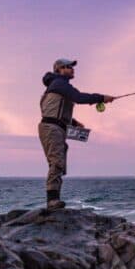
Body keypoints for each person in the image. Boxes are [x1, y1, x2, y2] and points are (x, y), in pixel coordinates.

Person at [39, 58, 115, 210]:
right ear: (59, 70)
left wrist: (73, 122)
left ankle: (54, 200)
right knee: (57, 162)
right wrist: (101, 98)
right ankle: (52, 201)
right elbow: (79, 97)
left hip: (57, 127)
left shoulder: (57, 85)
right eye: (68, 67)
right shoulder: (59, 83)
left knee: (58, 163)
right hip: (52, 128)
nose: (72, 69)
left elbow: (53, 109)